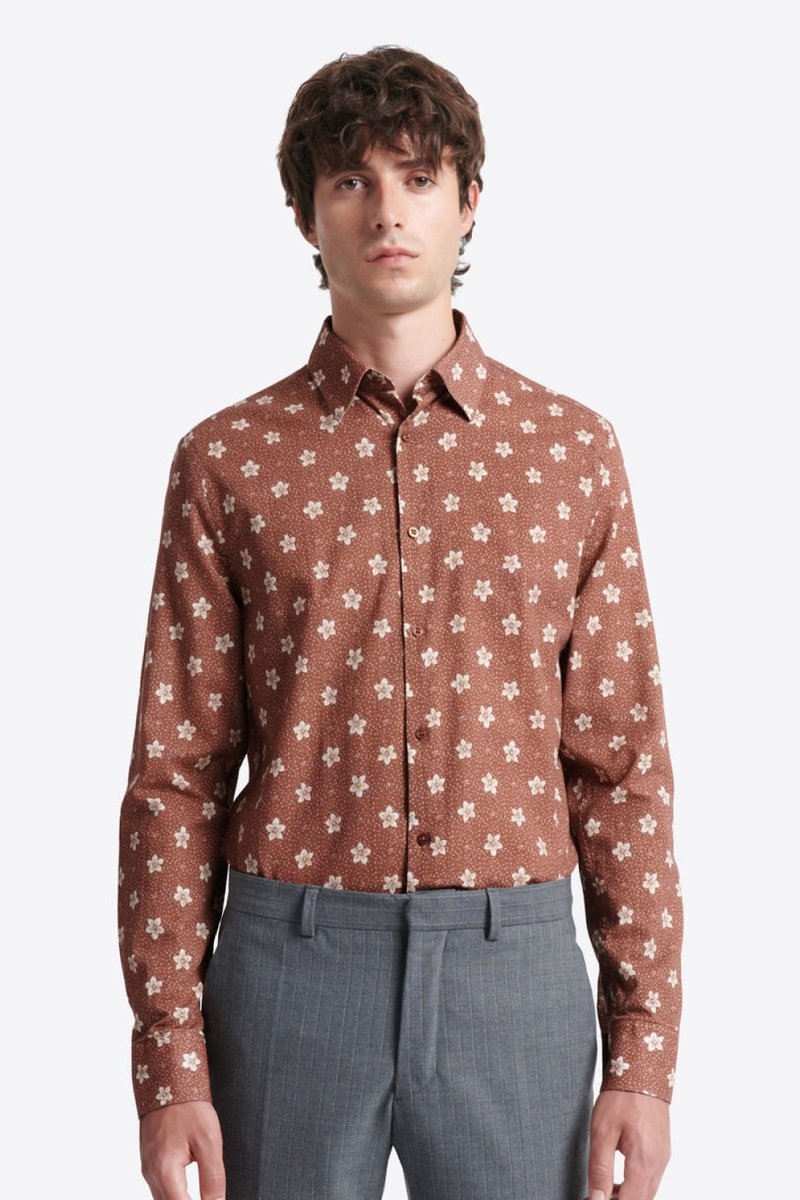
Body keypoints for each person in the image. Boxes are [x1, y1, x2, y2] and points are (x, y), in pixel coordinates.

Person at [118, 45, 683, 1200]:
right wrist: (169, 1062)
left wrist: (642, 1056)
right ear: (303, 214)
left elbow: (619, 769)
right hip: (287, 973)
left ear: (468, 200)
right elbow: (177, 773)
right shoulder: (228, 463)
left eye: (417, 178)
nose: (386, 212)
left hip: (511, 977)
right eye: (350, 181)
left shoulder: (571, 454)